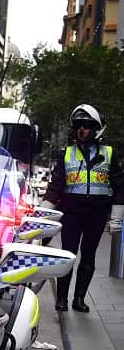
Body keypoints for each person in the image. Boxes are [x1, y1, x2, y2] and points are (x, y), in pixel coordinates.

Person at [42, 104, 124, 312]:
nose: (81, 129)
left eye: (86, 125)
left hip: (97, 213)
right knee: (68, 254)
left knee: (89, 255)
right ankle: (61, 299)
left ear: (96, 128)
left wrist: (116, 218)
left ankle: (79, 299)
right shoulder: (66, 154)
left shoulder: (109, 153)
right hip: (72, 212)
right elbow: (55, 186)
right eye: (78, 125)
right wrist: (44, 217)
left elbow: (120, 187)